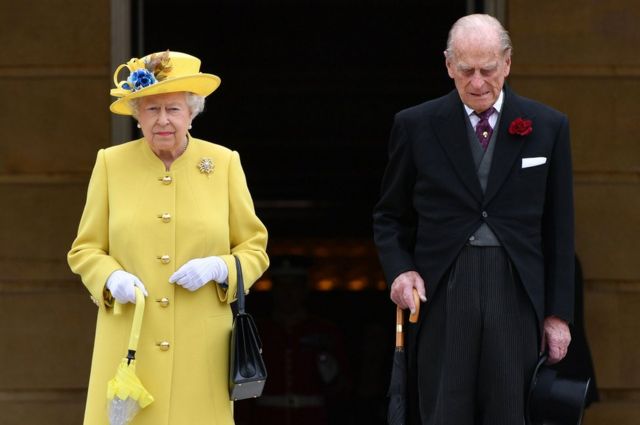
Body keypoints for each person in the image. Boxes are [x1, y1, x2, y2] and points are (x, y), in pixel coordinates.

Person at [373, 14, 574, 425]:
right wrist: (400, 271)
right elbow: (389, 216)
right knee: (444, 412)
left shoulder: (548, 126)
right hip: (445, 289)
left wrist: (557, 315)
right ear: (448, 65)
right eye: (466, 71)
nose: (478, 83)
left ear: (508, 63)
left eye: (488, 69)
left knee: (510, 413)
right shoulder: (415, 125)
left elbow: (560, 229)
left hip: (515, 291)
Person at [67, 50, 269, 425]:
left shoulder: (224, 163)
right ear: (137, 116)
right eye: (151, 110)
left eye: (173, 109)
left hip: (202, 349)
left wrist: (219, 267)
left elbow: (254, 249)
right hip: (129, 342)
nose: (163, 121)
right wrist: (110, 277)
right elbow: (86, 248)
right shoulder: (111, 163)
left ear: (192, 113)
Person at [235, 255, 351, 425]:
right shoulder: (257, 331)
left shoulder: (324, 331)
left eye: (294, 286)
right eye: (282, 286)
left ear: (304, 289)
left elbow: (343, 386)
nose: (287, 293)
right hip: (266, 417)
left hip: (312, 418)